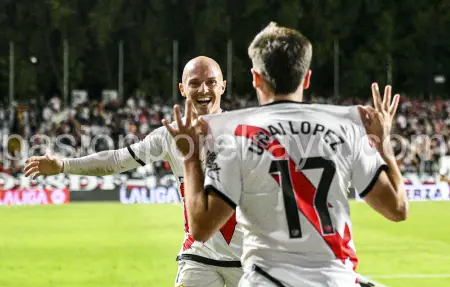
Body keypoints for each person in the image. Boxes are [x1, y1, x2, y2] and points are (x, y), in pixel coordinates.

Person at [165, 23, 408, 287]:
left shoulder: (233, 133)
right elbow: (397, 209)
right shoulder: (348, 125)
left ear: (256, 78)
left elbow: (201, 228)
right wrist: (383, 143)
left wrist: (189, 156)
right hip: (334, 279)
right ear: (306, 78)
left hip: (268, 280)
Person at [23, 56, 244, 287]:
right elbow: (117, 160)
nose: (203, 89)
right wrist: (63, 165)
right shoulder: (168, 135)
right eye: (195, 83)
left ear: (223, 86)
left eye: (211, 82)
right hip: (199, 258)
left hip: (248, 259)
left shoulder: (245, 132)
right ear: (182, 88)